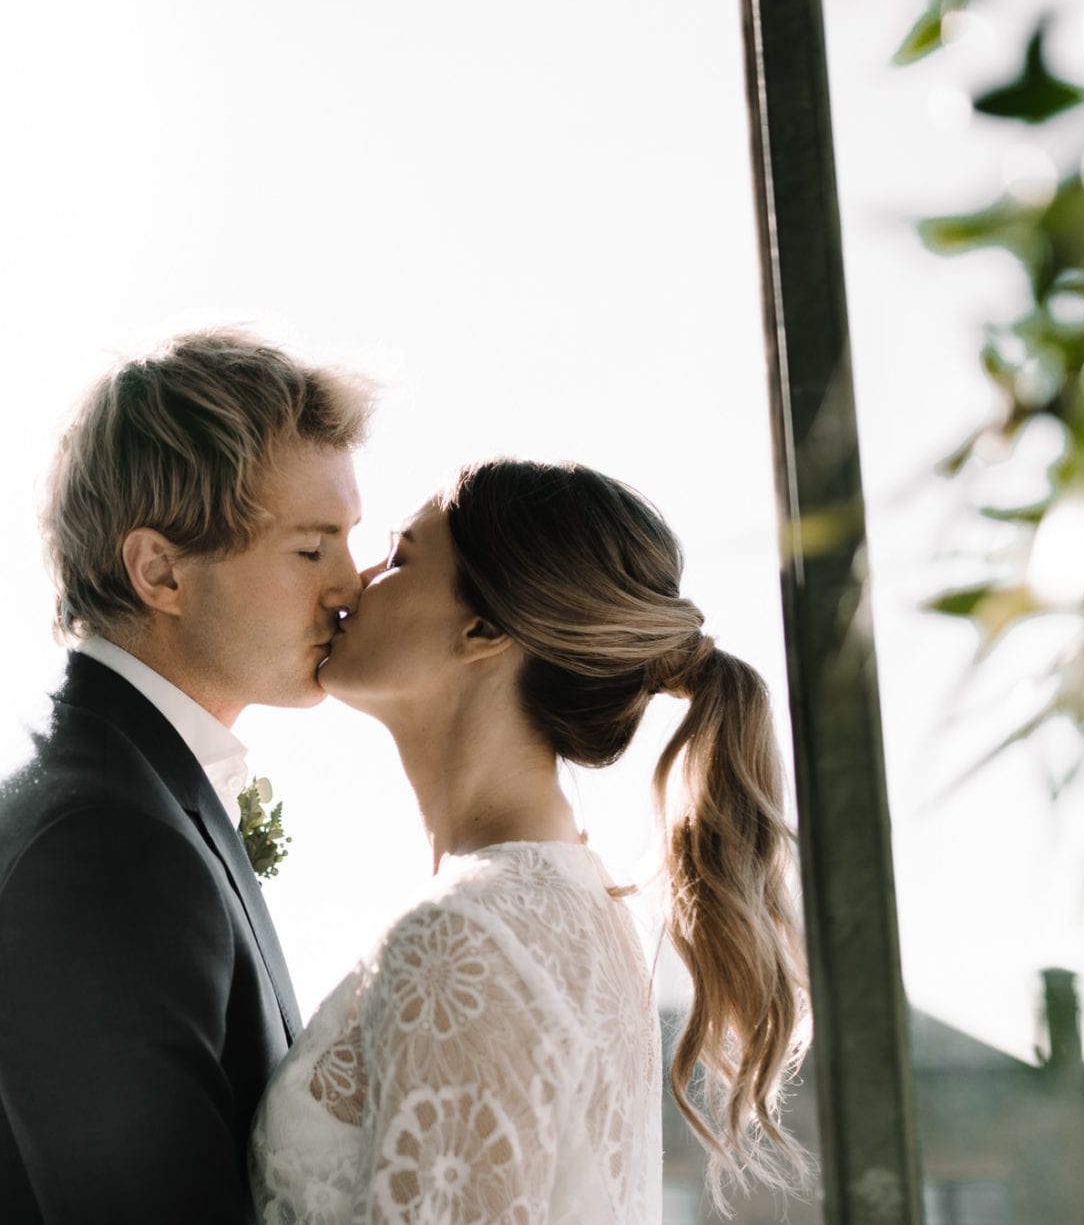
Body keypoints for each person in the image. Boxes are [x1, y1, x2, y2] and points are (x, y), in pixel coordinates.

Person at [249, 459, 812, 1223]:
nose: (355, 582)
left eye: (402, 556)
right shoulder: (582, 912)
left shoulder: (461, 939)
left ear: (483, 628)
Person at [0, 329, 371, 1223]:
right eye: (313, 550)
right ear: (160, 570)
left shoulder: (98, 780)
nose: (352, 584)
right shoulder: (97, 838)